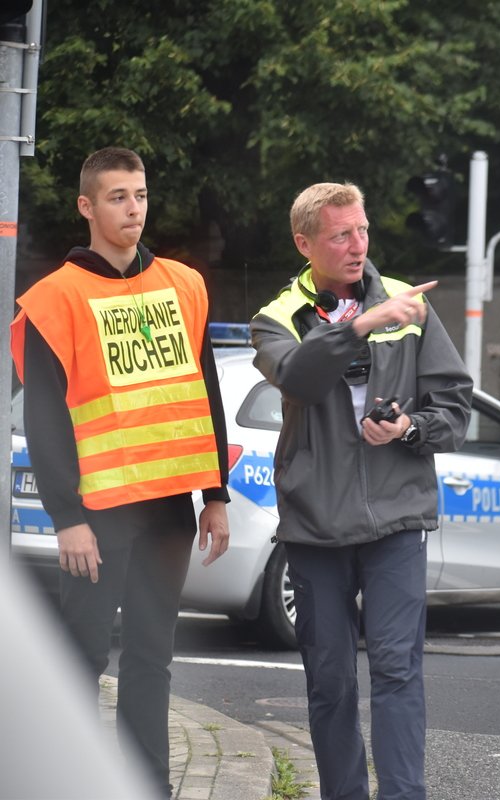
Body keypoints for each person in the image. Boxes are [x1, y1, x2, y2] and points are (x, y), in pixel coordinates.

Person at [9, 146, 231, 796]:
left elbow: (205, 391)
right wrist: (66, 518)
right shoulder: (55, 300)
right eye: (117, 197)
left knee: (151, 661)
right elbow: (45, 419)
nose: (133, 209)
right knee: (79, 661)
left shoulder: (183, 285)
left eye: (140, 195)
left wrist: (215, 495)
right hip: (97, 514)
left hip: (168, 509)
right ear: (86, 206)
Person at [250, 182, 472, 800]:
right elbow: (298, 378)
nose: (357, 246)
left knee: (397, 671)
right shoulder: (276, 317)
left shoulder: (410, 305)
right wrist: (362, 325)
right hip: (316, 523)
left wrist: (409, 428)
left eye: (363, 231)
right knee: (330, 682)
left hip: (397, 518)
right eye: (341, 235)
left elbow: (455, 406)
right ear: (305, 244)